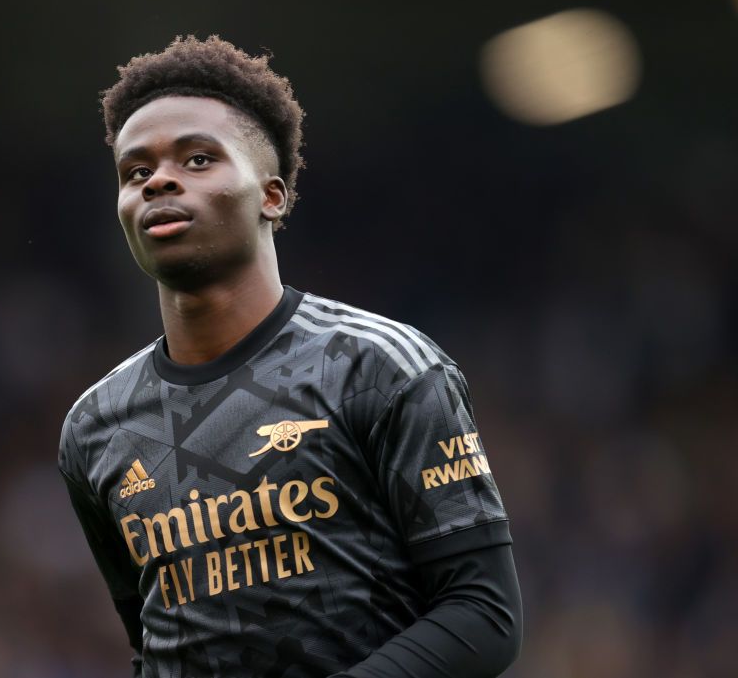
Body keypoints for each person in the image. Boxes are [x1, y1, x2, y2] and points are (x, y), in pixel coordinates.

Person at [59, 35, 522, 678]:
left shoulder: (380, 368)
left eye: (197, 160)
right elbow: (155, 644)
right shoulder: (94, 426)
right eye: (136, 172)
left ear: (271, 197)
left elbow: (482, 614)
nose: (159, 178)